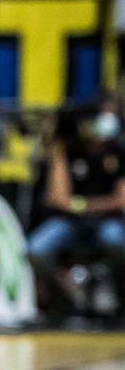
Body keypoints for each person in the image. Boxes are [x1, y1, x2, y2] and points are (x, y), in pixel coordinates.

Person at [27, 102, 125, 318]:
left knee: (116, 241)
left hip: (106, 221)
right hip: (69, 222)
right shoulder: (67, 151)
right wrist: (88, 205)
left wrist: (82, 205)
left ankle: (121, 300)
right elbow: (57, 198)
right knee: (35, 250)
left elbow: (121, 200)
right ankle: (64, 302)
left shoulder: (118, 152)